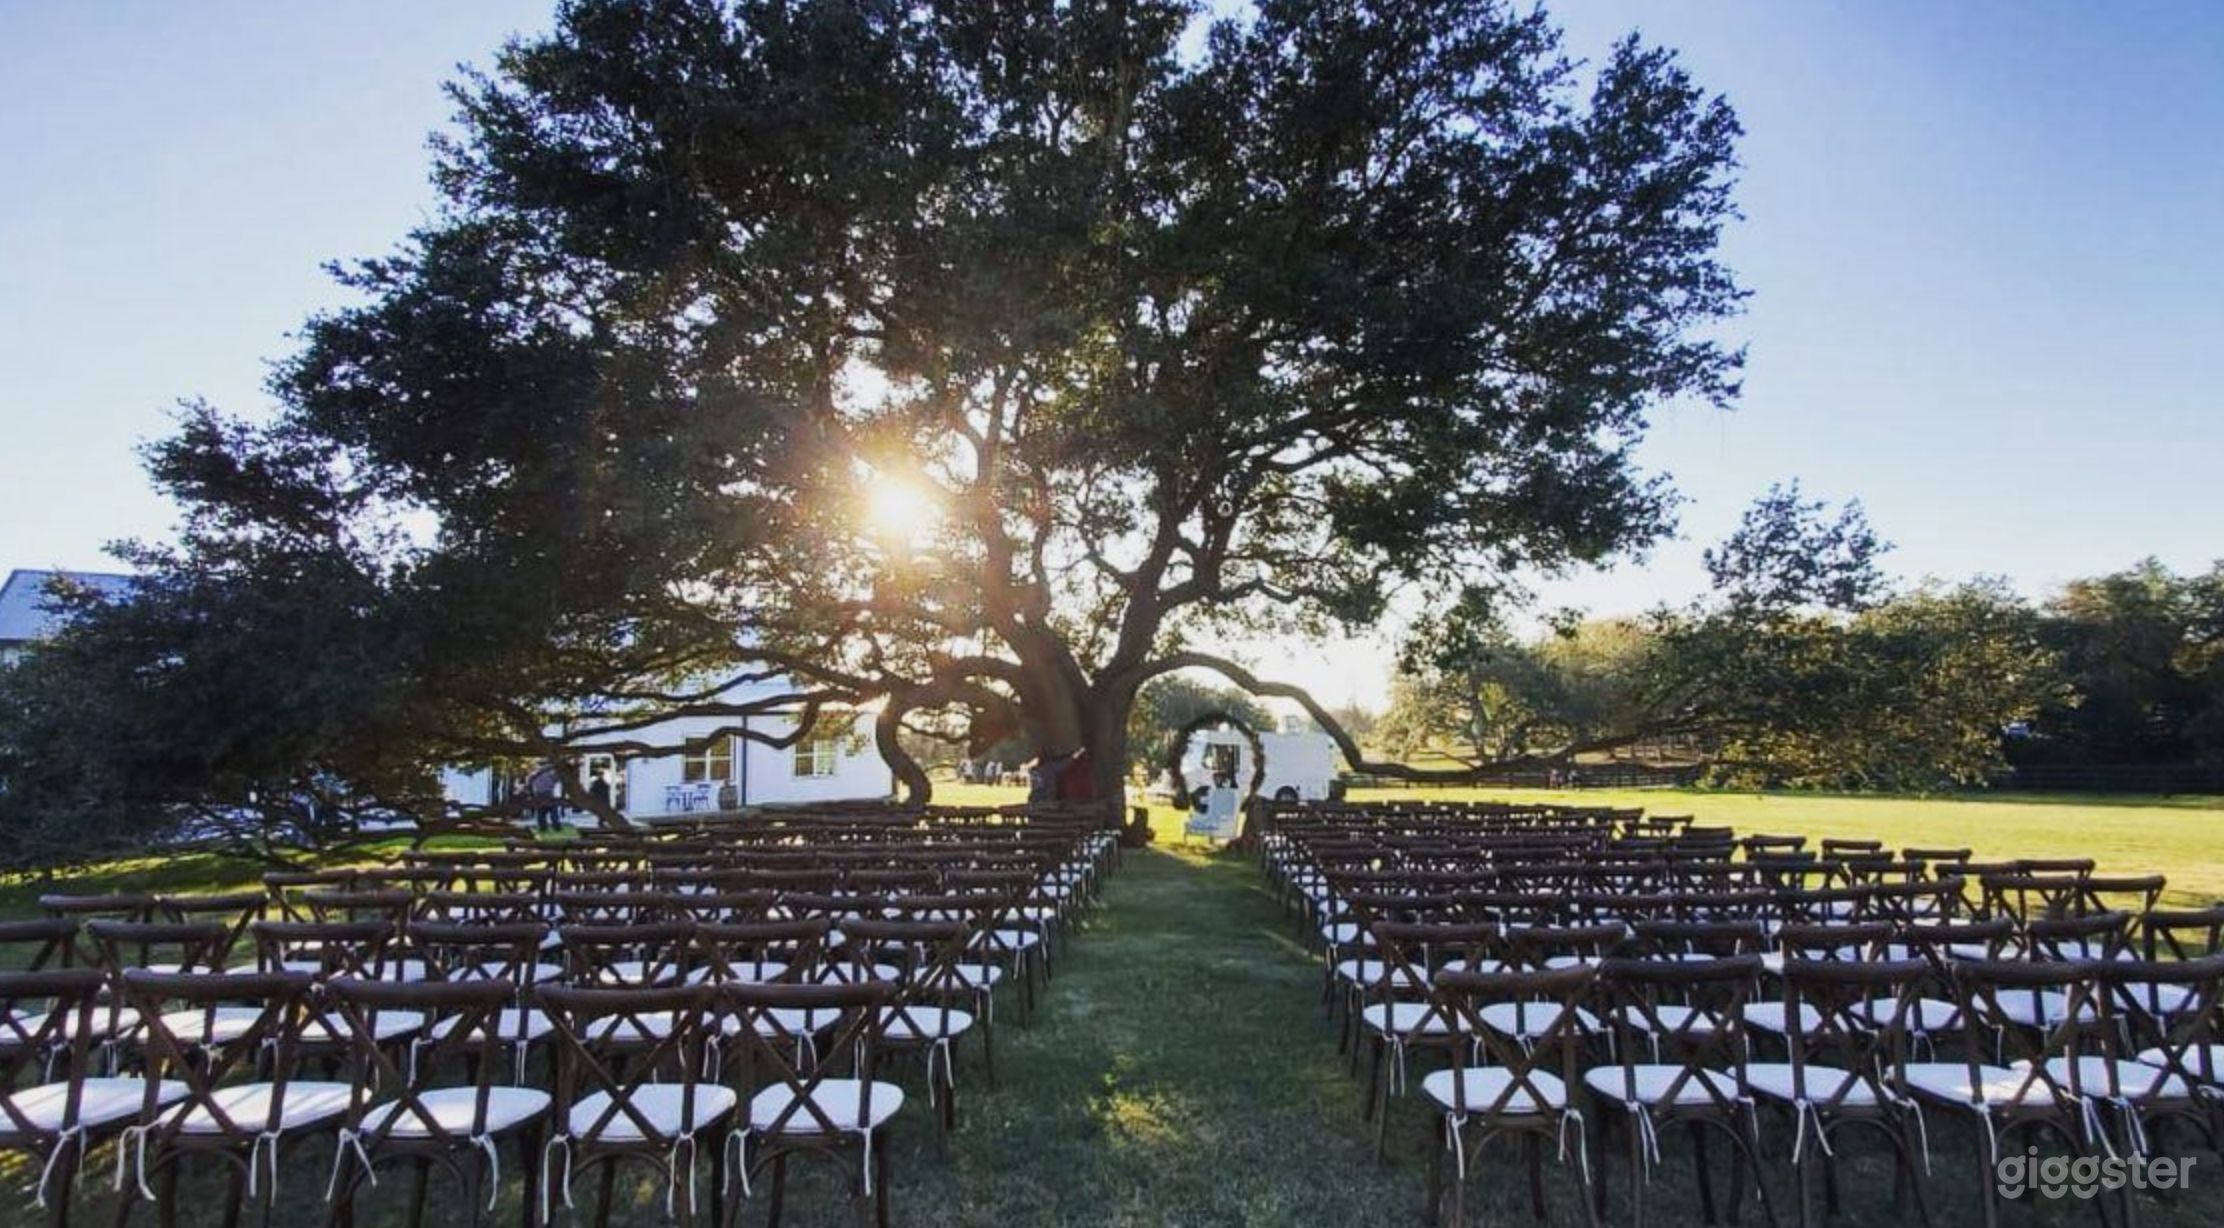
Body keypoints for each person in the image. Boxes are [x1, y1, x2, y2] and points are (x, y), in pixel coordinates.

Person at [525, 761, 563, 833]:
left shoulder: (534, 774)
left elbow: (529, 782)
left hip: (538, 794)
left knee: (541, 812)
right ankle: (556, 826)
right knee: (553, 811)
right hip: (548, 793)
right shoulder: (550, 773)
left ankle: (543, 827)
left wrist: (531, 793)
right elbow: (557, 779)